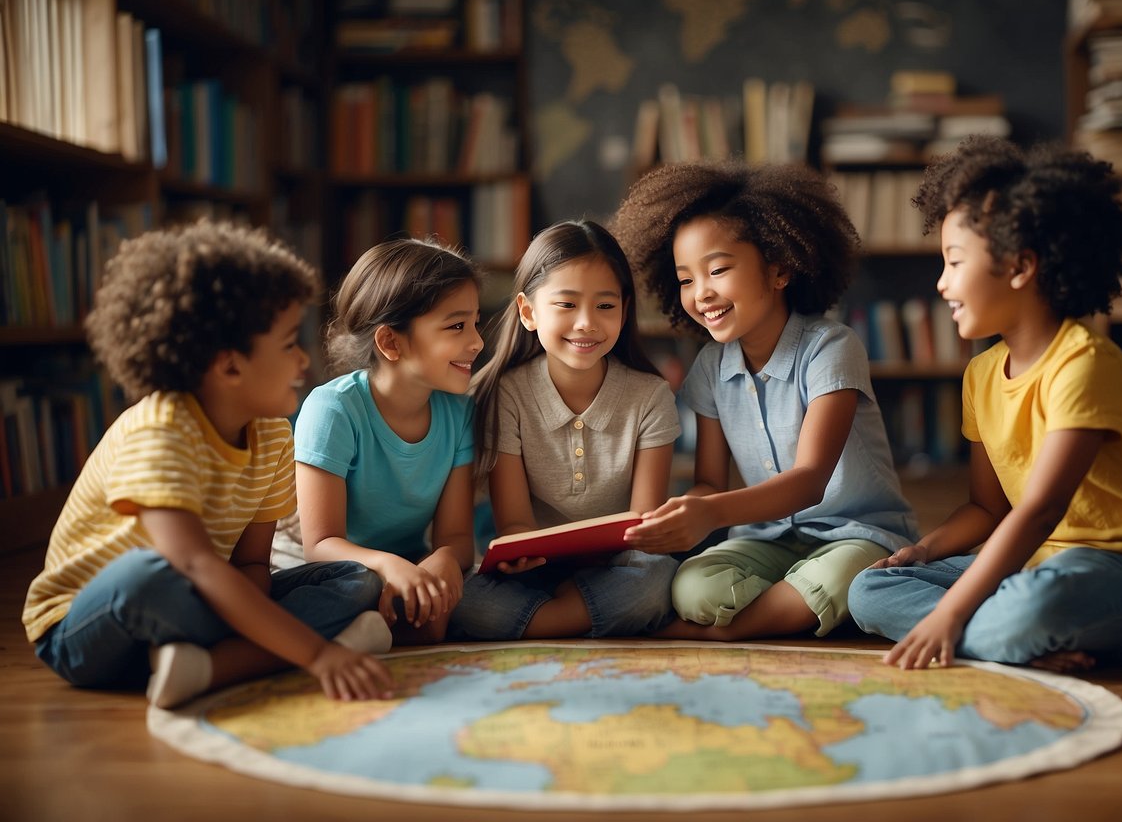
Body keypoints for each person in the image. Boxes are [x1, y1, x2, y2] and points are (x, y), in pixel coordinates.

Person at [847, 136, 1122, 672]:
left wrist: (950, 614)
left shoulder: (1084, 364)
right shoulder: (982, 374)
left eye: (953, 262)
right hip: (1034, 567)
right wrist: (925, 551)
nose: (942, 284)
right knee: (868, 590)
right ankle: (1013, 643)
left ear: (1020, 267)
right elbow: (989, 510)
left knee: (1033, 606)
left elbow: (1039, 511)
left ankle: (998, 635)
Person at [22, 220, 394, 710]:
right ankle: (264, 653)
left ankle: (207, 665)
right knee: (146, 576)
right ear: (230, 366)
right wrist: (319, 654)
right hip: (86, 627)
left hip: (205, 604)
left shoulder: (272, 433)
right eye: (287, 344)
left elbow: (251, 565)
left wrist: (264, 615)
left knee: (355, 579)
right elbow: (194, 564)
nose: (304, 360)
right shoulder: (161, 430)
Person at [612, 160, 918, 642]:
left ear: (779, 269)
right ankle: (792, 610)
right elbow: (711, 483)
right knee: (693, 589)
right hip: (764, 540)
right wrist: (680, 512)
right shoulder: (711, 368)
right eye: (686, 279)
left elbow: (809, 482)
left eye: (717, 269)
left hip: (856, 534)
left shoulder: (831, 348)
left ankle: (726, 631)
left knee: (841, 576)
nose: (701, 293)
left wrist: (711, 514)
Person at [450, 220, 681, 640]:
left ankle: (545, 625)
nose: (586, 323)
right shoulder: (508, 394)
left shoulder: (651, 396)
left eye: (605, 306)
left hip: (619, 568)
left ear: (625, 310)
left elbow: (644, 529)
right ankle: (582, 620)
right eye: (567, 304)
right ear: (528, 312)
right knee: (465, 600)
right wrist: (522, 555)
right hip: (537, 573)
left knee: (656, 579)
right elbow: (516, 524)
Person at [293, 238, 482, 645]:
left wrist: (444, 561)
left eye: (475, 323)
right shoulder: (333, 410)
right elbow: (320, 545)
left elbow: (456, 538)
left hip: (407, 566)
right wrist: (390, 567)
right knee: (360, 586)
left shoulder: (459, 413)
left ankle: (369, 633)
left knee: (479, 594)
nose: (477, 342)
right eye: (456, 326)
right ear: (391, 342)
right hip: (334, 567)